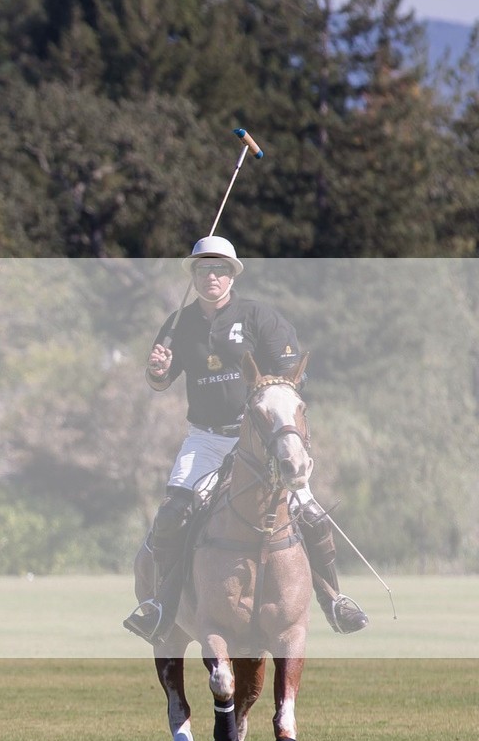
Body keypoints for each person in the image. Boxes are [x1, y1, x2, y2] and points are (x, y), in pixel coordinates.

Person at [124, 236, 368, 639]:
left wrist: (268, 400)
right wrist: (156, 369)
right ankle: (160, 606)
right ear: (195, 276)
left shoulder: (258, 317)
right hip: (206, 438)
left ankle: (334, 601)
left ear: (232, 275)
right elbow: (160, 381)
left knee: (311, 517)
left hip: (259, 440)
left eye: (219, 269)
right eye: (203, 270)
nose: (211, 277)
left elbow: (294, 376)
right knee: (171, 517)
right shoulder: (178, 324)